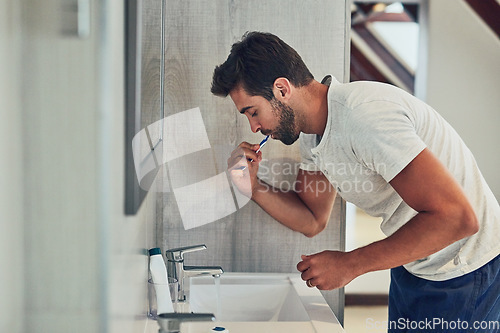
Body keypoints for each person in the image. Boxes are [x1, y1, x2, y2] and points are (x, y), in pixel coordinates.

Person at [211, 31, 500, 332]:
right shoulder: (313, 137)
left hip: (466, 268)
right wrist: (253, 188)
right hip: (415, 264)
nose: (254, 126)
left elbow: (457, 218)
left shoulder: (365, 117)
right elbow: (312, 218)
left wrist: (351, 264)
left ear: (282, 89)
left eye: (253, 112)